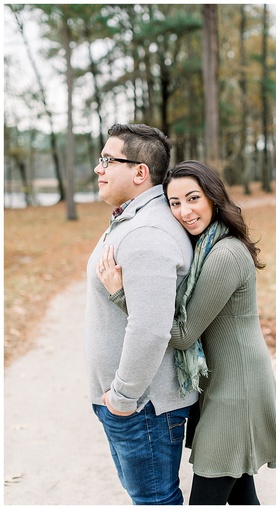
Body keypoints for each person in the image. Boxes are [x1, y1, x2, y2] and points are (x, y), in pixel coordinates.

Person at [97, 160, 276, 505]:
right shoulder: (206, 247)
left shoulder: (225, 254)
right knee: (242, 496)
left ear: (213, 198)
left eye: (193, 198)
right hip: (221, 385)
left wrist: (122, 295)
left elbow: (182, 334)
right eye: (174, 203)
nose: (184, 211)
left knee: (206, 500)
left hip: (237, 391)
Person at [85, 124, 197, 505]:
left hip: (142, 407)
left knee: (154, 501)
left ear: (139, 172)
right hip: (133, 406)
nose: (98, 168)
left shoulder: (148, 232)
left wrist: (122, 398)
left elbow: (150, 329)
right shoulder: (133, 220)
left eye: (107, 160)